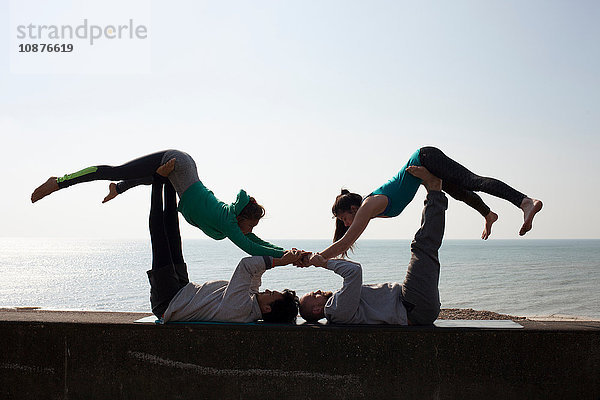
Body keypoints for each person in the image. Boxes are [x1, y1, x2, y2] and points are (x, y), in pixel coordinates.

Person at [31, 150, 287, 257]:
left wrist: (288, 252)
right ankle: (60, 181)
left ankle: (118, 188)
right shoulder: (229, 223)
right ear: (241, 218)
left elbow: (257, 242)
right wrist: (285, 255)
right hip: (179, 162)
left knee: (156, 179)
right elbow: (252, 248)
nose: (251, 231)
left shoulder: (232, 220)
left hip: (182, 173)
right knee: (118, 170)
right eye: (251, 225)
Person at [315, 146, 542, 262]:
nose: (345, 224)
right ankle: (488, 214)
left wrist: (317, 257)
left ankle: (524, 202)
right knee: (460, 193)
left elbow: (345, 243)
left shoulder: (369, 206)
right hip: (425, 171)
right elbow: (406, 184)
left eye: (344, 218)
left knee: (472, 181)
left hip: (425, 158)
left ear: (353, 208)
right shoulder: (372, 210)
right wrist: (427, 181)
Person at [299, 170, 447, 325]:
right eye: (313, 295)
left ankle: (432, 190)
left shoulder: (338, 307)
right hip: (412, 306)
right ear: (316, 310)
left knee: (425, 248)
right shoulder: (337, 310)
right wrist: (323, 263)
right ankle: (434, 191)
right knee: (423, 246)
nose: (316, 291)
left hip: (413, 304)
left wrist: (317, 259)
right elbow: (354, 272)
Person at [147, 174, 300, 324]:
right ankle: (168, 181)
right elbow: (256, 271)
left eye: (271, 293)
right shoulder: (251, 301)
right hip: (184, 293)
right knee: (173, 234)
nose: (268, 291)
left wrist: (280, 262)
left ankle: (159, 180)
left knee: (160, 236)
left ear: (267, 309)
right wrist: (287, 255)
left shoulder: (241, 308)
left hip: (170, 301)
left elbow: (246, 266)